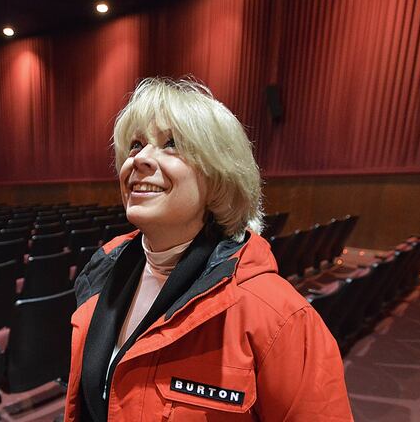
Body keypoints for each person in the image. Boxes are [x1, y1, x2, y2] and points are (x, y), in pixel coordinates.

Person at [64, 77, 352, 421]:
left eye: (171, 144)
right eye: (136, 144)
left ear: (218, 176)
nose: (139, 159)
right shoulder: (102, 275)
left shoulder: (279, 316)